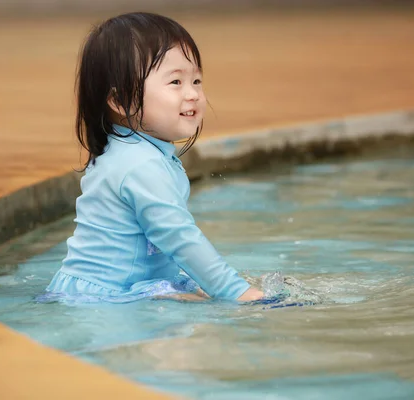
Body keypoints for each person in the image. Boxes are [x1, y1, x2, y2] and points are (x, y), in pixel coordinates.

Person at [41, 12, 264, 304]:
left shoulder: (131, 152)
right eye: (175, 82)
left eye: (196, 80)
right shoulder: (140, 165)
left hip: (105, 291)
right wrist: (237, 291)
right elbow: (180, 239)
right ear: (121, 101)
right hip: (106, 300)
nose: (193, 94)